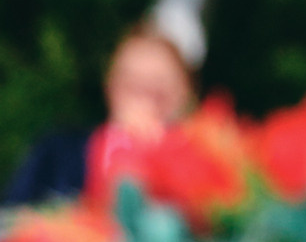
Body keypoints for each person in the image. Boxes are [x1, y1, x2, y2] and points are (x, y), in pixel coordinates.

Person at [3, 21, 198, 208]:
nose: (144, 89)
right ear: (111, 83)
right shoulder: (57, 151)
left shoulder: (204, 161)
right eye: (133, 80)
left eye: (157, 83)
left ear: (185, 92)